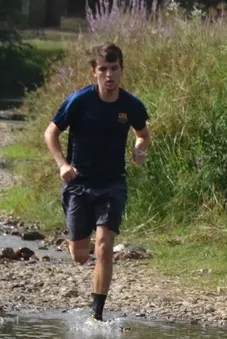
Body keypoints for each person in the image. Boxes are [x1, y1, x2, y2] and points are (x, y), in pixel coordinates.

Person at [44, 42, 151, 322]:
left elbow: (143, 134)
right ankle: (80, 238)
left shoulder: (131, 105)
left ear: (121, 70)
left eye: (114, 69)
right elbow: (50, 134)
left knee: (104, 246)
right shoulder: (79, 101)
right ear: (94, 72)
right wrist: (62, 165)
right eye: (103, 69)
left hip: (113, 183)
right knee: (80, 255)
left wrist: (140, 148)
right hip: (78, 183)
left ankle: (97, 315)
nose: (109, 75)